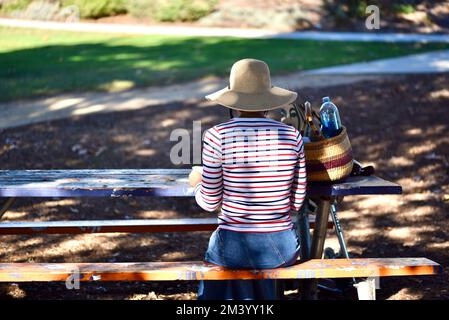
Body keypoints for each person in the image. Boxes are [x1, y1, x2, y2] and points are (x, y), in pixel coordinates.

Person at [189, 58, 307, 300]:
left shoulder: (217, 136)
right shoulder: (292, 135)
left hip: (233, 246)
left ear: (232, 102)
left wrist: (197, 184)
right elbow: (297, 202)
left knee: (227, 259)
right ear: (268, 102)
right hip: (282, 247)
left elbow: (210, 202)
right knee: (247, 262)